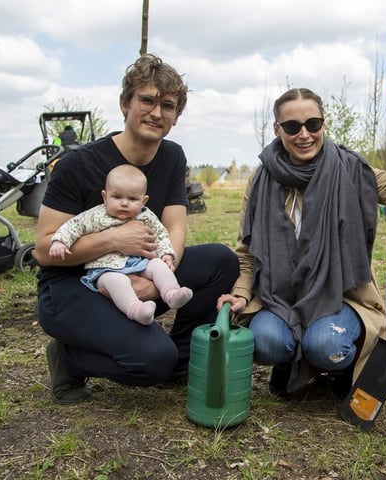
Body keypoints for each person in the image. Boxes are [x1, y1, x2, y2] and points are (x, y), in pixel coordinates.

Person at [33, 53, 239, 405]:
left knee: (220, 260)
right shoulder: (77, 165)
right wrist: (112, 239)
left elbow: (174, 226)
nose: (157, 113)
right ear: (124, 104)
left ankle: (181, 359)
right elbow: (43, 248)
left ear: (176, 116)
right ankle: (68, 358)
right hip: (75, 284)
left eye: (168, 105)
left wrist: (157, 273)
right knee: (150, 361)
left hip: (139, 269)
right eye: (147, 100)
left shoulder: (172, 156)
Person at [216, 87, 386, 399]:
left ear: (323, 125)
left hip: (340, 296)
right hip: (280, 296)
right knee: (265, 342)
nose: (304, 134)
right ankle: (291, 361)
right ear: (277, 129)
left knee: (326, 344)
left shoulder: (354, 169)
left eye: (312, 124)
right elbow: (247, 252)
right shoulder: (261, 179)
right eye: (292, 126)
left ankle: (335, 364)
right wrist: (239, 294)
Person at [49, 164, 193, 325]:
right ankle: (136, 310)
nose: (124, 203)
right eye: (117, 197)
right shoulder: (96, 215)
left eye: (132, 199)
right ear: (105, 196)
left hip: (140, 263)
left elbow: (161, 234)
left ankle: (171, 293)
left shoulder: (146, 216)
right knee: (117, 282)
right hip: (106, 269)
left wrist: (166, 254)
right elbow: (74, 226)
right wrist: (59, 241)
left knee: (159, 266)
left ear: (144, 200)